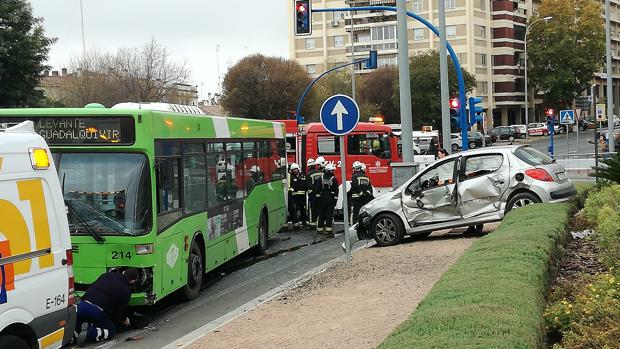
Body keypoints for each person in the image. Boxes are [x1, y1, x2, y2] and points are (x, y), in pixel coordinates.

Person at [74, 268, 139, 346]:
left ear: (123, 272)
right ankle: (89, 333)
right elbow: (118, 312)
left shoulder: (107, 275)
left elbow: (92, 286)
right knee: (110, 331)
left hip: (82, 305)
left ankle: (73, 334)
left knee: (77, 323)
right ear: (133, 281)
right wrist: (123, 320)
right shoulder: (126, 291)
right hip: (97, 311)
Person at [314, 162, 338, 234]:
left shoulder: (320, 178)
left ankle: (320, 229)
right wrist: (335, 200)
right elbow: (336, 190)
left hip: (322, 198)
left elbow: (317, 189)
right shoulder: (334, 179)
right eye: (332, 171)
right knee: (329, 214)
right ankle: (328, 229)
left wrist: (317, 200)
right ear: (330, 171)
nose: (333, 172)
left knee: (321, 213)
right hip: (330, 198)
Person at [307, 156, 325, 227]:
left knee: (313, 209)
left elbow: (308, 184)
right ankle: (320, 222)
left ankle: (313, 223)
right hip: (320, 194)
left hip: (312, 194)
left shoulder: (309, 174)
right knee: (320, 208)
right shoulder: (320, 172)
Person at [289, 163, 307, 228]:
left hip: (302, 197)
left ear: (298, 169)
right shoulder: (291, 177)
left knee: (303, 210)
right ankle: (296, 223)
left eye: (296, 169)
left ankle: (304, 222)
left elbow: (306, 184)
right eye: (293, 170)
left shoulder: (303, 176)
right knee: (295, 210)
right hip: (294, 197)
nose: (295, 171)